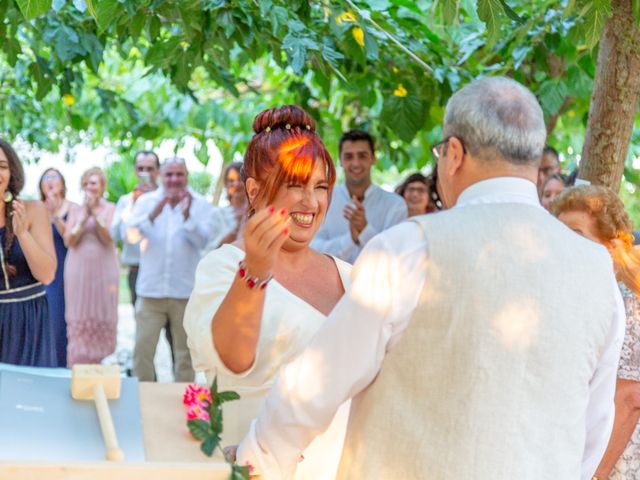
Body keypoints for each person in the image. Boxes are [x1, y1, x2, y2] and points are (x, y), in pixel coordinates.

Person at [236, 77, 625, 480]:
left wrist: (256, 462)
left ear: (453, 154)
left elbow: (311, 391)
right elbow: (593, 430)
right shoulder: (598, 270)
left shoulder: (409, 249)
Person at [184, 105, 351, 480]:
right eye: (295, 185)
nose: (311, 202)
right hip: (254, 464)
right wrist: (255, 272)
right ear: (255, 191)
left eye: (320, 186)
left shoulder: (351, 277)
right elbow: (233, 361)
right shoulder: (223, 268)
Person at [551, 185, 640, 479]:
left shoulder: (625, 297)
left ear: (609, 245)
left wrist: (596, 475)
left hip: (613, 459)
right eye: (558, 233)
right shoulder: (580, 293)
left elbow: (628, 399)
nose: (563, 245)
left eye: (576, 236)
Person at [127, 157, 213, 382]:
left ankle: (182, 409)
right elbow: (131, 237)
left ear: (186, 176)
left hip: (184, 294)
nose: (174, 179)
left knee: (185, 356)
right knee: (142, 353)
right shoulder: (146, 202)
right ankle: (142, 403)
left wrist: (187, 217)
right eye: (169, 175)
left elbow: (206, 242)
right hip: (150, 292)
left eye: (179, 174)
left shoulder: (201, 205)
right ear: (161, 176)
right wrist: (154, 214)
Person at [310, 130, 407, 263]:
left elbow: (397, 256)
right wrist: (350, 240)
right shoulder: (323, 200)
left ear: (373, 159)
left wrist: (365, 229)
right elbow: (312, 249)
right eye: (349, 157)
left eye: (362, 156)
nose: (356, 163)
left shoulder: (395, 205)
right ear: (341, 161)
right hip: (328, 282)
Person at [0, 139, 57, 366]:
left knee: (29, 397)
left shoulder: (33, 210)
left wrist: (22, 233)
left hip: (28, 319)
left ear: (11, 172)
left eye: (2, 166)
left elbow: (47, 275)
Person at [64, 167, 119, 366]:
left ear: (102, 186)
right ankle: (77, 361)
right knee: (79, 312)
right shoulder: (75, 210)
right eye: (86, 183)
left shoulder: (110, 208)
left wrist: (95, 216)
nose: (90, 187)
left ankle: (101, 360)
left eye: (93, 183)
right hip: (78, 266)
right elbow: (68, 240)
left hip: (104, 267)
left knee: (102, 310)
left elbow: (108, 239)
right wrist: (83, 217)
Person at [111, 151, 160, 308]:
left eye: (150, 168)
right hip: (136, 269)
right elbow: (115, 235)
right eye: (141, 168)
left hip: (162, 269)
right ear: (135, 170)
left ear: (158, 170)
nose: (145, 173)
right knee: (142, 325)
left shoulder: (166, 198)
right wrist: (133, 204)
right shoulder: (126, 201)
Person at [39, 168, 77, 367]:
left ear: (62, 183)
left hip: (68, 270)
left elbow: (71, 240)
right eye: (46, 177)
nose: (50, 181)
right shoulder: (36, 208)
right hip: (45, 272)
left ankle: (64, 365)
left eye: (54, 176)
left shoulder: (73, 208)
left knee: (65, 318)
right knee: (49, 317)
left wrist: (54, 215)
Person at [204, 161, 249, 253]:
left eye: (240, 179)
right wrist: (237, 226)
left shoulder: (257, 211)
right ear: (226, 184)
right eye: (231, 180)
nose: (236, 184)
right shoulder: (218, 214)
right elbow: (210, 251)